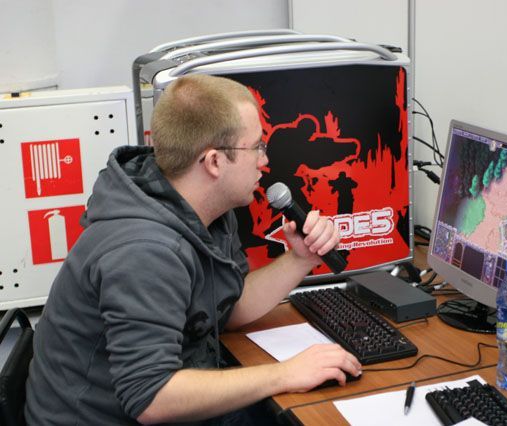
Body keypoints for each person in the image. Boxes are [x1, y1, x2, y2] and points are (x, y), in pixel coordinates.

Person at [25, 74, 361, 425]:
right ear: (214, 162)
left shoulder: (204, 210)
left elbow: (227, 308)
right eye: (256, 147)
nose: (264, 161)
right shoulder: (145, 251)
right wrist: (285, 374)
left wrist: (300, 259)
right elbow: (151, 398)